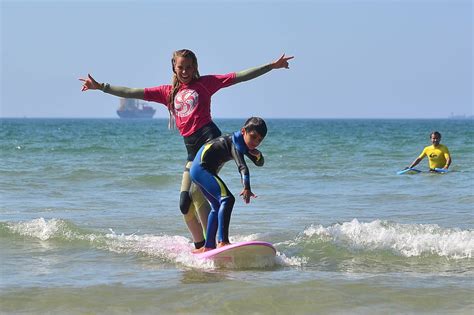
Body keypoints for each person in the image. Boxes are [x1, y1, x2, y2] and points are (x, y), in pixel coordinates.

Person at [79, 49, 293, 249]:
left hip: (210, 145)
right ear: (174, 67)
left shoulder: (206, 84)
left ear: (195, 67)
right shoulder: (167, 93)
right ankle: (200, 247)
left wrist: (270, 66)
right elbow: (131, 92)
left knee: (200, 194)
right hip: (192, 153)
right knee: (184, 203)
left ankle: (217, 243)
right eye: (181, 67)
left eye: (189, 67)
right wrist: (102, 86)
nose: (185, 71)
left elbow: (239, 76)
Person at [190, 117, 267, 253]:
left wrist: (258, 154)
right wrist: (247, 187)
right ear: (243, 131)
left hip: (199, 170)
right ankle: (222, 241)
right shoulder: (235, 143)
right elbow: (242, 167)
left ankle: (208, 246)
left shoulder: (243, 143)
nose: (255, 142)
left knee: (217, 206)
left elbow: (259, 163)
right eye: (253, 137)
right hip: (201, 168)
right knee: (227, 199)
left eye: (259, 140)